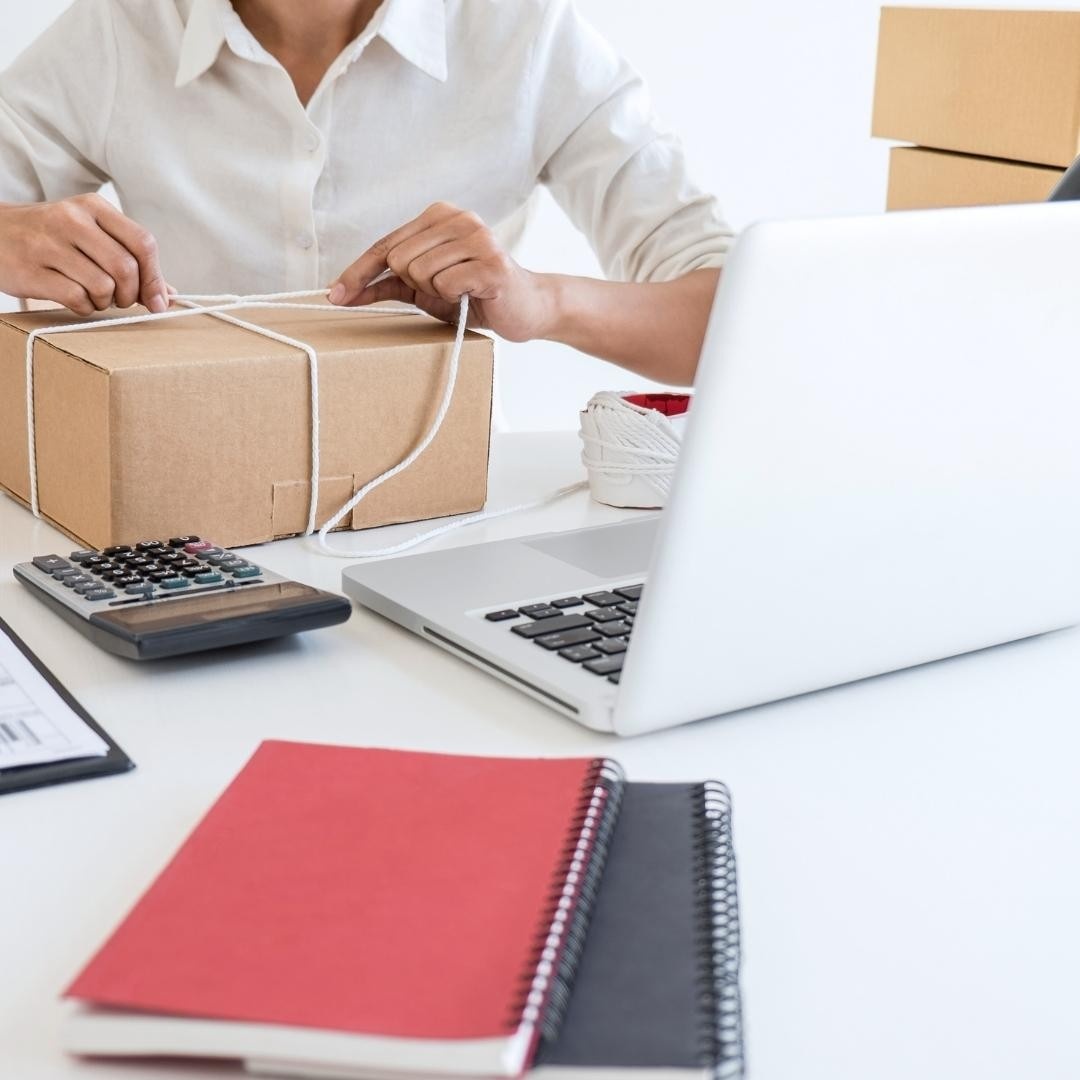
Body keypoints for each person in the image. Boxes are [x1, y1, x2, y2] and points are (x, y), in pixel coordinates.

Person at [0, 0, 733, 385]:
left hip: (439, 512)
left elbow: (733, 322)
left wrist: (542, 301)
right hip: (171, 507)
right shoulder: (121, 26)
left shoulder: (525, 34)